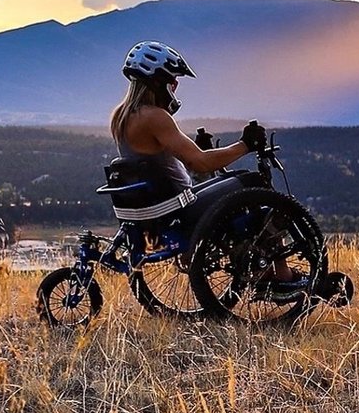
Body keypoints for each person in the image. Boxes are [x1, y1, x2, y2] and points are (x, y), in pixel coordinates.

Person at [110, 39, 299, 292]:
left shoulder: (121, 115)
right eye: (173, 81)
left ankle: (255, 265)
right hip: (178, 210)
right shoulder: (155, 117)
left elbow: (160, 161)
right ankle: (278, 275)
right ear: (158, 81)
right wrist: (245, 144)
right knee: (253, 181)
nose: (175, 87)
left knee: (237, 177)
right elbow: (198, 163)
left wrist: (200, 148)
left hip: (156, 211)